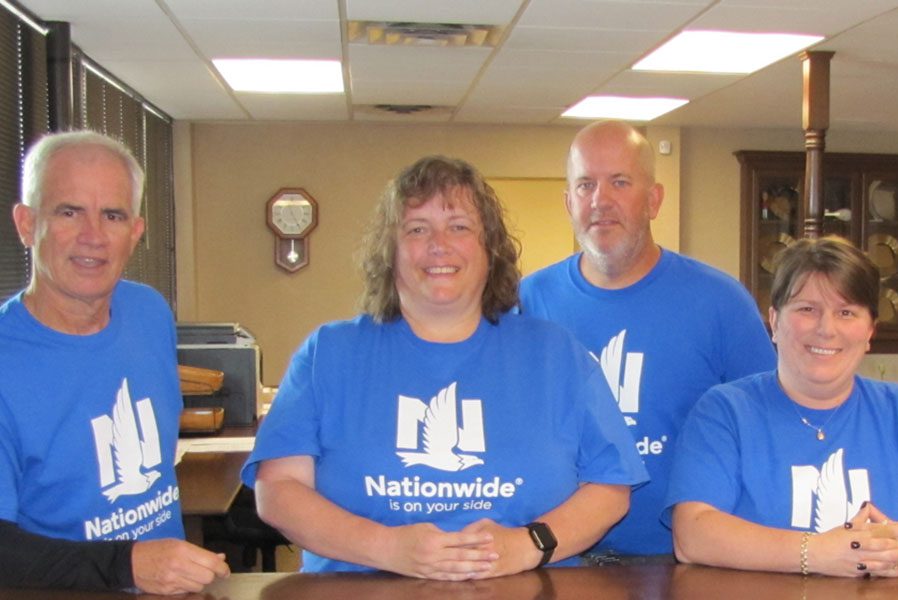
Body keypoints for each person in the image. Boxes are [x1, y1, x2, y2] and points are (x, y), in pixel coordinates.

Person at [242, 156, 648, 579]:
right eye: (417, 229)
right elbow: (279, 491)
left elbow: (610, 486)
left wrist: (528, 545)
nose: (439, 244)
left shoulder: (556, 353)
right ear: (391, 251)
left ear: (489, 248)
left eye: (459, 227)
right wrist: (389, 547)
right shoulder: (329, 353)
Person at [518, 120, 776, 559]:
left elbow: (768, 428)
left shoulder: (720, 303)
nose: (601, 201)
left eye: (620, 182)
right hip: (557, 560)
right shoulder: (528, 300)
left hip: (679, 562)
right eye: (585, 185)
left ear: (654, 200)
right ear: (568, 202)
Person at [0, 131, 230, 593]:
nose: (93, 236)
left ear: (135, 232)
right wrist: (124, 565)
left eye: (112, 215)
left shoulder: (148, 312)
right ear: (26, 224)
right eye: (69, 211)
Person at [666, 236, 898, 577]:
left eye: (846, 312)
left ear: (869, 332)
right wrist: (816, 552)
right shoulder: (726, 411)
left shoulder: (894, 410)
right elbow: (692, 534)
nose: (826, 329)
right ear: (774, 321)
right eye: (807, 309)